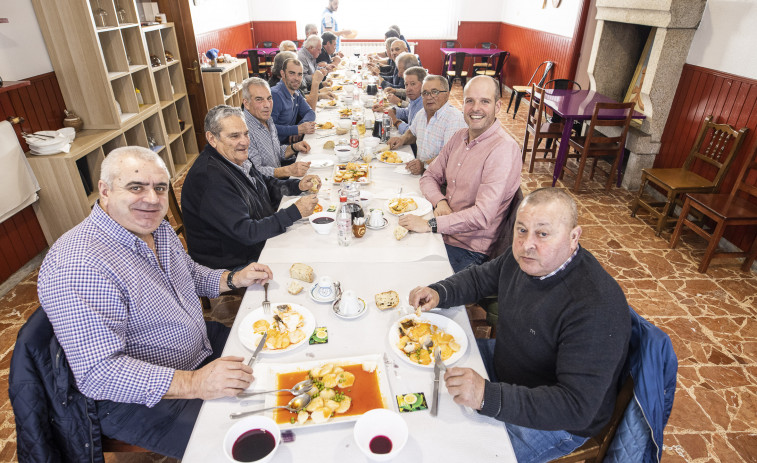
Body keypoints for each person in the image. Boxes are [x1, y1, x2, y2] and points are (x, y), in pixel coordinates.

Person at [36, 145, 274, 458]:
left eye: (159, 188)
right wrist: (195, 383)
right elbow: (99, 374)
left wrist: (233, 278)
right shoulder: (80, 265)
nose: (151, 199)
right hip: (136, 399)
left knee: (275, 359)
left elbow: (187, 273)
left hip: (196, 349)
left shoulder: (155, 228)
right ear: (105, 192)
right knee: (248, 441)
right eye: (136, 187)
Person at [408, 187, 631, 463]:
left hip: (558, 418)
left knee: (462, 453)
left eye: (543, 233)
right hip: (508, 365)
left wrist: (485, 396)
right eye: (521, 230)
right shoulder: (524, 259)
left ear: (574, 237)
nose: (527, 244)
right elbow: (480, 279)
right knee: (420, 365)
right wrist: (441, 292)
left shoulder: (596, 306)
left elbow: (577, 406)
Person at [399, 76, 522, 272]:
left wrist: (431, 224)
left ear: (498, 106)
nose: (475, 108)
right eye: (470, 101)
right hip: (444, 231)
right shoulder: (459, 136)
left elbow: (482, 216)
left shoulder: (504, 149)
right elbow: (429, 176)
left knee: (406, 272)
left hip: (469, 250)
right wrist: (440, 202)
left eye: (485, 101)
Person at [182, 105, 320, 269]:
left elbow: (266, 185)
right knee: (313, 251)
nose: (244, 142)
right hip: (234, 262)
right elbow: (247, 233)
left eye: (246, 134)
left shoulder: (235, 158)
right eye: (234, 136)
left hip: (255, 238)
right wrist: (294, 212)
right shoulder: (209, 179)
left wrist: (297, 185)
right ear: (212, 138)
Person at [388, 75, 466, 175]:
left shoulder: (454, 119)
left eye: (434, 92)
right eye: (425, 93)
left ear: (447, 94)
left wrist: (424, 165)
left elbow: (449, 157)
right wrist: (402, 139)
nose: (429, 97)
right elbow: (412, 132)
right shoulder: (421, 113)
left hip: (440, 181)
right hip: (420, 173)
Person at [242, 77, 311, 178]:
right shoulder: (244, 131)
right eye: (259, 100)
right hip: (267, 189)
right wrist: (288, 170)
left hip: (278, 181)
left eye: (269, 98)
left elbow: (275, 153)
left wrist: (294, 147)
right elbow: (256, 173)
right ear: (246, 103)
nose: (267, 105)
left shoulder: (267, 119)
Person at [270, 58, 316, 143]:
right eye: (292, 73)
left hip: (291, 144)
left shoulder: (296, 92)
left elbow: (310, 112)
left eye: (300, 74)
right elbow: (269, 128)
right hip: (278, 148)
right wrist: (296, 129)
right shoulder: (275, 95)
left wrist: (300, 127)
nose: (297, 78)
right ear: (283, 74)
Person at [388, 65, 425, 134]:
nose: (408, 89)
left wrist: (395, 121)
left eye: (413, 84)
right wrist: (394, 110)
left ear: (424, 85)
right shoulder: (416, 99)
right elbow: (407, 112)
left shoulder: (425, 105)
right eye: (406, 84)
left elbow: (412, 134)